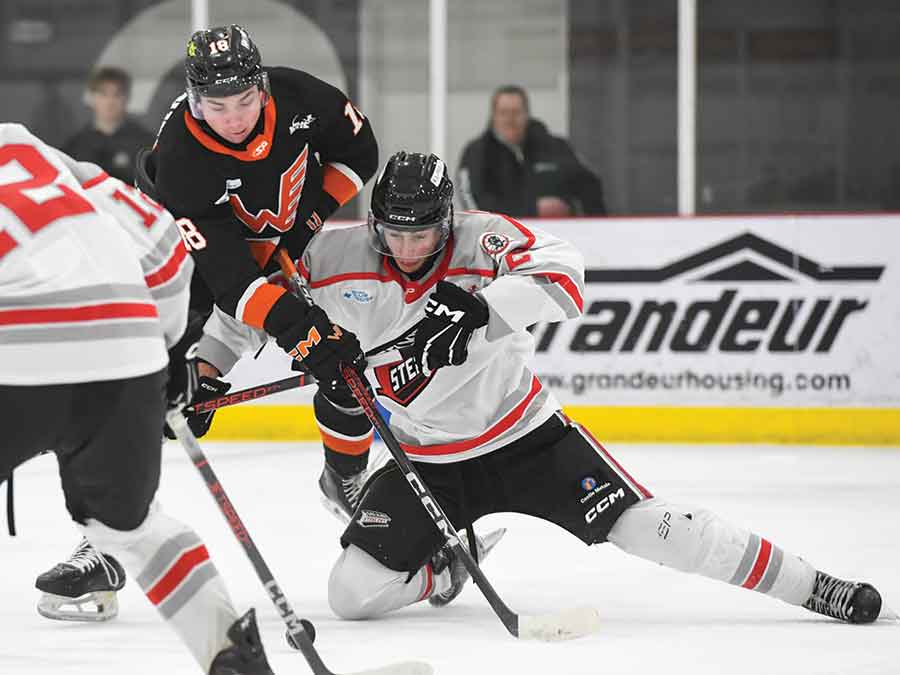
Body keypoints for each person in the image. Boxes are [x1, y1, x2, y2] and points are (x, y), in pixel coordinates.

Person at [209, 150, 881, 625]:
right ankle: (448, 565)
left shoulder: (485, 238)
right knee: (352, 594)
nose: (408, 246)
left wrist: (483, 306)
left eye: (423, 231)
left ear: (449, 217)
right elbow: (256, 304)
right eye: (394, 230)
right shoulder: (333, 255)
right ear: (374, 218)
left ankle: (812, 584)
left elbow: (566, 273)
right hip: (426, 461)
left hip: (526, 438)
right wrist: (206, 367)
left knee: (653, 529)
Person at [0, 123, 276, 673]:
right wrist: (171, 356)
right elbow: (162, 237)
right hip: (125, 352)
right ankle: (231, 656)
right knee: (134, 529)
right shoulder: (31, 146)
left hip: (18, 349)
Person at [142, 24, 378, 522]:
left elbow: (360, 153)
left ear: (262, 85)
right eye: (216, 105)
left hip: (292, 240)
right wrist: (300, 330)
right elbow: (230, 283)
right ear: (193, 99)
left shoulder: (301, 96)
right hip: (191, 264)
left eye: (244, 100)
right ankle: (104, 536)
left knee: (351, 360)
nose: (233, 118)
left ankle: (351, 481)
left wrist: (302, 228)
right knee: (158, 399)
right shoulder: (181, 158)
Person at [457, 84, 606, 218]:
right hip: (502, 239)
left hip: (558, 236)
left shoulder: (556, 148)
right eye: (503, 113)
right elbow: (473, 204)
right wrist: (532, 210)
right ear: (494, 116)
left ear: (526, 114)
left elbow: (589, 186)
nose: (510, 120)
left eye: (516, 112)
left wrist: (592, 227)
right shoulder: (477, 154)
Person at [63, 66, 154, 185]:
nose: (110, 101)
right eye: (103, 94)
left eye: (117, 94)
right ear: (91, 98)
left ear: (127, 98)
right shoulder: (75, 146)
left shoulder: (145, 145)